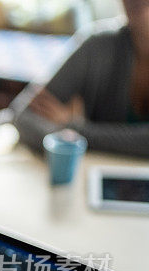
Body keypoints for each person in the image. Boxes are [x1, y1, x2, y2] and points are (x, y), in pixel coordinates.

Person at [14, 0, 149, 158]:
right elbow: (23, 114)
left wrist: (75, 130)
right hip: (95, 172)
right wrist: (65, 140)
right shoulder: (97, 46)